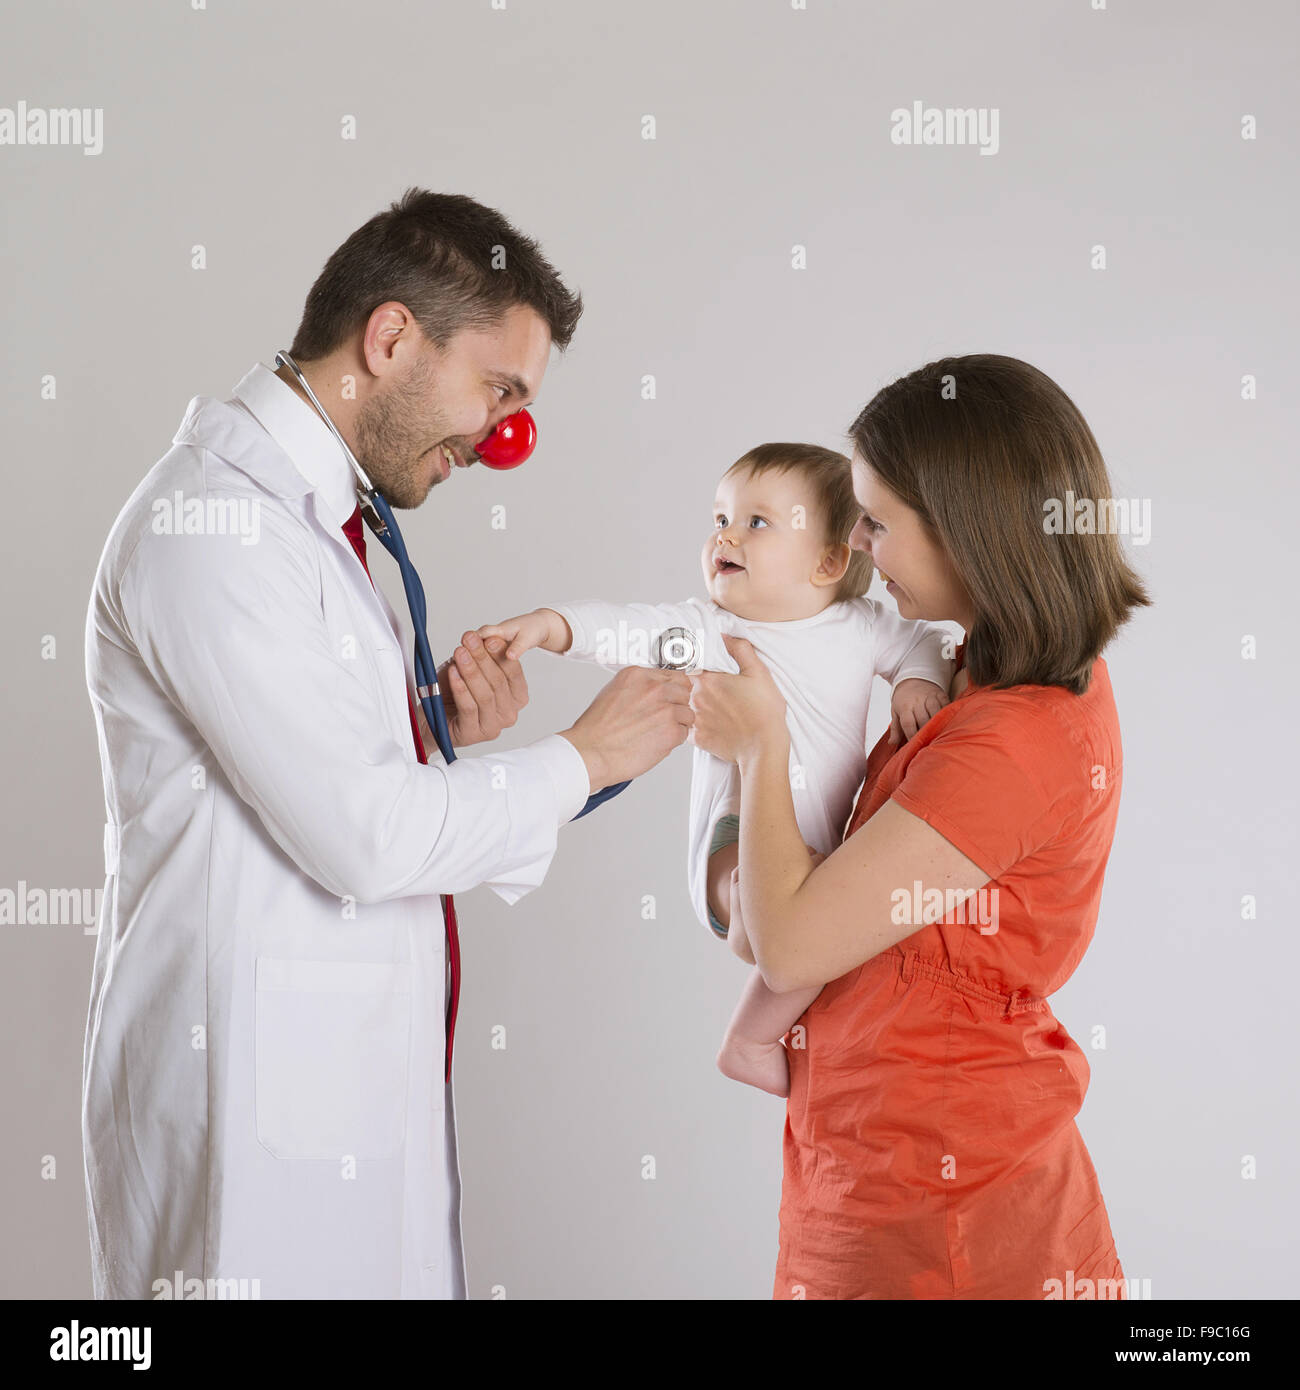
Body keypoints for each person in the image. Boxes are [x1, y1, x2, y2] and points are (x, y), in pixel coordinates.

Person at [81, 188, 693, 1300]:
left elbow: (312, 771)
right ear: (392, 337)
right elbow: (359, 839)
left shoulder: (322, 522)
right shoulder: (212, 526)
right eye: (497, 390)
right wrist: (583, 757)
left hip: (335, 1105)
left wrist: (434, 736)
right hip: (248, 1134)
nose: (507, 436)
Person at [688, 354, 1151, 1300]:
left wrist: (761, 745)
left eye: (879, 522)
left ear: (970, 533)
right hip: (876, 1171)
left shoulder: (1016, 741)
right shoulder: (973, 668)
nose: (857, 544)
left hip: (951, 1220)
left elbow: (792, 945)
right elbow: (770, 920)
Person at [474, 443, 953, 1098]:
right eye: (719, 518)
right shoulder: (711, 632)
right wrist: (551, 626)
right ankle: (756, 1023)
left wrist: (913, 683)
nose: (724, 535)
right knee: (800, 924)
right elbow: (625, 629)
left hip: (817, 861)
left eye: (757, 522)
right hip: (732, 852)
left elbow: (929, 640)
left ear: (829, 561)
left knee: (830, 925)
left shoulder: (861, 627)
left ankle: (745, 1038)